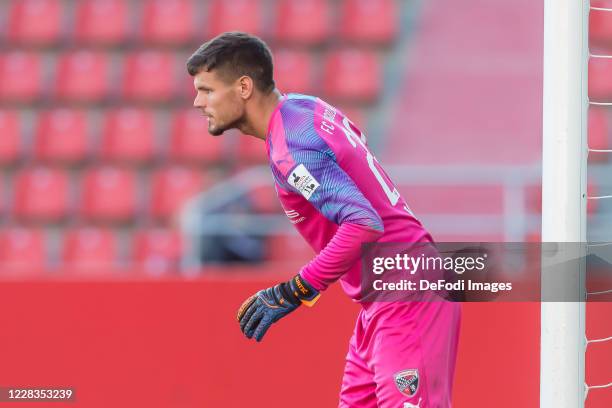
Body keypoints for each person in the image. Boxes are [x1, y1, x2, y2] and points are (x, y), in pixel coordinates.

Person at [186, 32, 461, 408]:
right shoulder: (302, 109)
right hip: (385, 296)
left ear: (244, 87)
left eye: (206, 90)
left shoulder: (292, 148)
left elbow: (364, 223)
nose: (198, 102)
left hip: (405, 292)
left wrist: (296, 290)